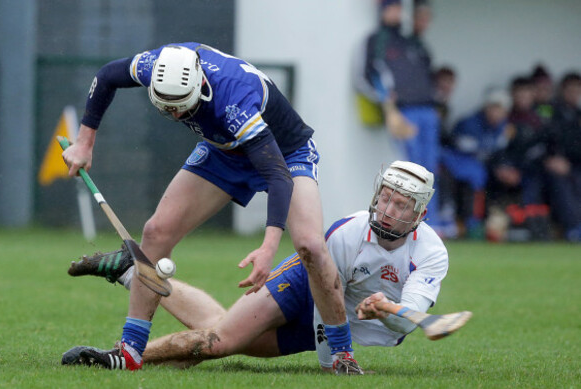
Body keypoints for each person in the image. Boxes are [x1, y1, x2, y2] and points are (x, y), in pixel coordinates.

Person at [60, 42, 361, 373]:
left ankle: (341, 354)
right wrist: (85, 142)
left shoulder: (234, 100)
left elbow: (277, 177)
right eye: (167, 109)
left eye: (181, 108)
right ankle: (130, 350)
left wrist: (268, 247)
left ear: (200, 86)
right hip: (225, 151)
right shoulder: (155, 67)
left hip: (288, 155)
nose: (175, 115)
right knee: (156, 232)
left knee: (311, 246)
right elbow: (106, 76)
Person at [63, 161, 449, 372]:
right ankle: (121, 357)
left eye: (401, 205)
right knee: (223, 341)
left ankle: (132, 271)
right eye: (384, 199)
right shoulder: (348, 234)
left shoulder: (431, 254)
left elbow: (405, 322)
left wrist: (386, 308)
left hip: (341, 314)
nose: (387, 209)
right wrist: (339, 356)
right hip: (307, 285)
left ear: (420, 213)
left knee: (225, 331)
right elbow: (327, 292)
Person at [355, 0, 444, 232]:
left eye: (398, 8)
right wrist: (386, 102)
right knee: (412, 170)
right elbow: (366, 76)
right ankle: (411, 223)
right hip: (404, 112)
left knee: (431, 169)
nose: (396, 13)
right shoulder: (376, 40)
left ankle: (431, 222)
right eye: (391, 8)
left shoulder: (411, 41)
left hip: (427, 110)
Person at [440, 88, 512, 238]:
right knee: (475, 175)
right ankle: (471, 224)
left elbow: (498, 152)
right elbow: (463, 148)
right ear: (486, 107)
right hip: (457, 166)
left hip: (484, 170)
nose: (496, 112)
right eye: (493, 107)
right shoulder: (470, 123)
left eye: (500, 109)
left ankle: (494, 223)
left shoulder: (504, 127)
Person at [543, 72, 581, 241]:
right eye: (570, 89)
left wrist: (570, 163)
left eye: (577, 90)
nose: (573, 93)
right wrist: (548, 159)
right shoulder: (549, 111)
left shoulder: (578, 115)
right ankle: (573, 227)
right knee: (561, 183)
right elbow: (542, 139)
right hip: (549, 165)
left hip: (574, 165)